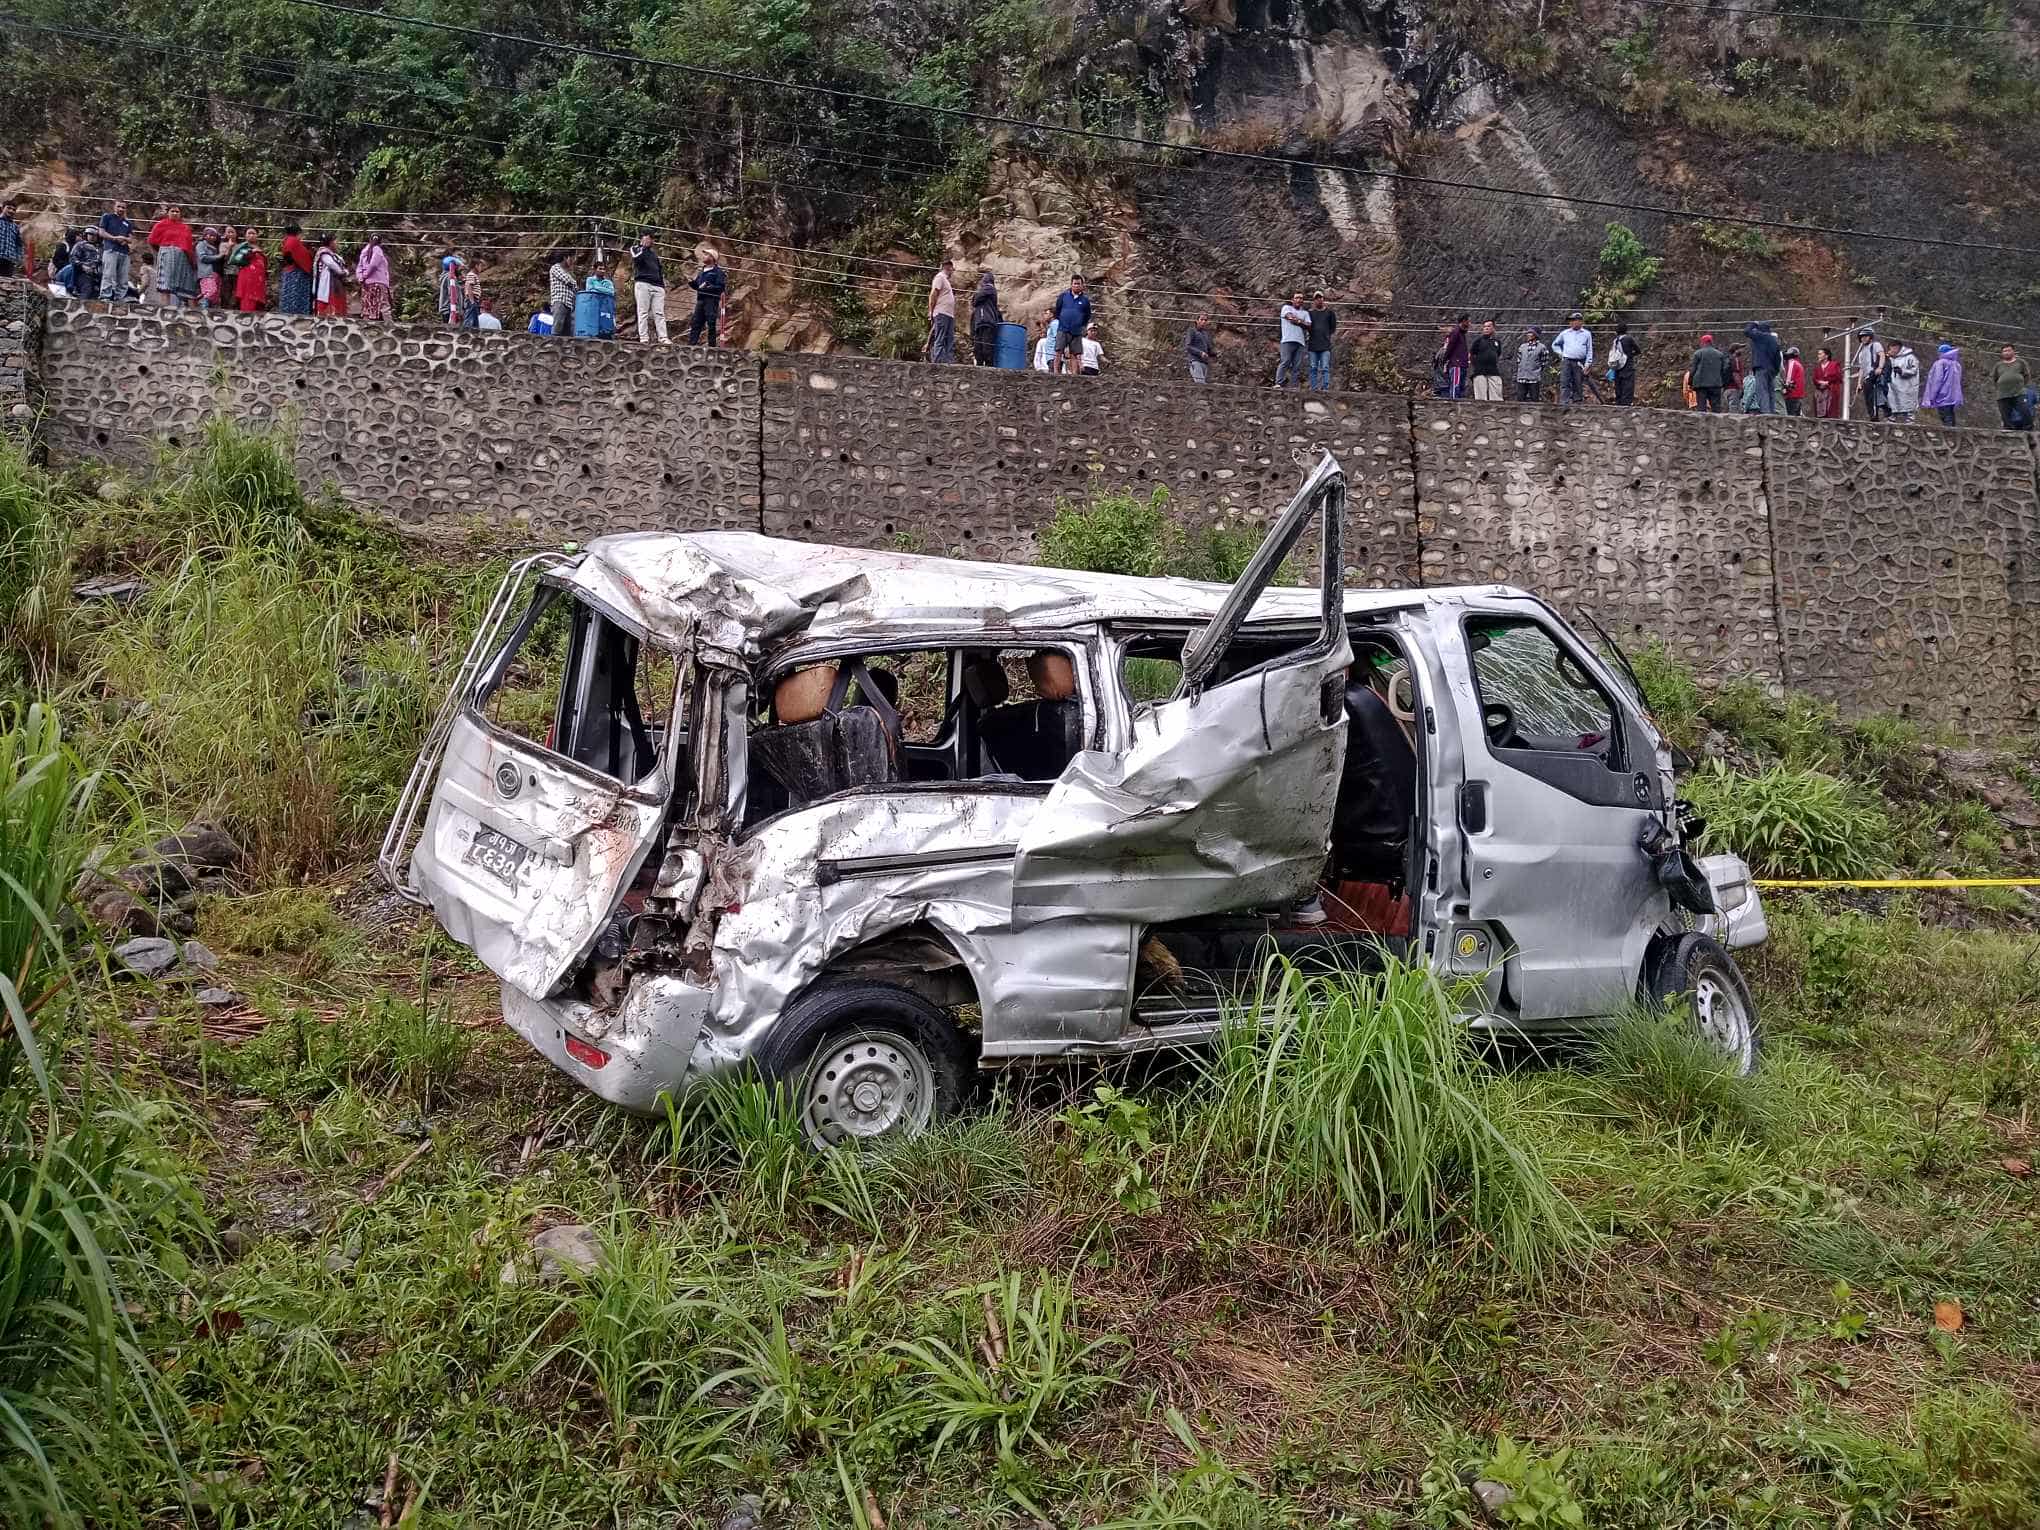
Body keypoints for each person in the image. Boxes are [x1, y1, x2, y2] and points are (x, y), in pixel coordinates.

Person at [146, 204, 197, 309]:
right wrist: (160, 253)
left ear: (180, 214)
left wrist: (191, 260)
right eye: (172, 211)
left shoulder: (185, 228)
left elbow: (188, 245)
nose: (174, 213)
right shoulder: (161, 225)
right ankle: (165, 307)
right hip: (166, 255)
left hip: (182, 257)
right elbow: (151, 240)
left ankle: (192, 310)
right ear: (168, 213)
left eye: (177, 211)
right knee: (166, 281)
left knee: (187, 282)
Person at [631, 233, 667, 344]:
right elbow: (636, 259)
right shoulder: (636, 249)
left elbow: (659, 270)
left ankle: (663, 337)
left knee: (659, 313)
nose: (651, 241)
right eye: (649, 238)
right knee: (643, 311)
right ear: (643, 238)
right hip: (643, 283)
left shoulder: (654, 255)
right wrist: (643, 247)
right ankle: (644, 337)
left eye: (652, 239)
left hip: (657, 285)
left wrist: (662, 286)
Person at [95, 199, 134, 304]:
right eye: (119, 206)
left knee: (123, 277)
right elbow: (101, 232)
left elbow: (131, 238)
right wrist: (114, 238)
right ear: (114, 207)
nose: (121, 209)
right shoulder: (107, 217)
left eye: (123, 207)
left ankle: (120, 297)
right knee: (108, 274)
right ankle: (105, 296)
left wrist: (124, 240)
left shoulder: (128, 223)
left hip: (124, 252)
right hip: (110, 249)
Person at [1051, 275, 1091, 376]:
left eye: (1079, 284)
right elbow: (1058, 310)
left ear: (1082, 285)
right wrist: (1062, 320)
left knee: (1074, 353)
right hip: (1063, 328)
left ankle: (1074, 374)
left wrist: (1081, 325)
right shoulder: (1063, 296)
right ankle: (1056, 372)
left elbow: (1087, 315)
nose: (1076, 286)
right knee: (1058, 351)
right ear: (1071, 284)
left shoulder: (1085, 300)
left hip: (1076, 331)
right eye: (1075, 284)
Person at [1552, 312, 1593, 404]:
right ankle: (1564, 402)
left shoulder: (1586, 334)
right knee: (1565, 381)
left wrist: (1588, 363)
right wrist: (1561, 353)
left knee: (1578, 382)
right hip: (1567, 360)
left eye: (1574, 320)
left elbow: (1589, 350)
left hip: (1579, 361)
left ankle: (1577, 401)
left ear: (1580, 321)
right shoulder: (1565, 333)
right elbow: (1555, 344)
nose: (1572, 322)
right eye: (1571, 321)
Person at [688, 247, 725, 346]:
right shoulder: (701, 272)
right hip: (700, 300)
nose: (703, 256)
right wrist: (691, 282)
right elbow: (698, 286)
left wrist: (708, 286)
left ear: (712, 258)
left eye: (706, 254)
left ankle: (712, 346)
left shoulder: (718, 272)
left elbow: (721, 287)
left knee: (711, 323)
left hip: (711, 300)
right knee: (696, 322)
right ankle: (691, 345)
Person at [275, 225, 313, 316]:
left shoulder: (287, 240)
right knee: (296, 296)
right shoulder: (294, 241)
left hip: (290, 271)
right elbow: (298, 256)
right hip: (296, 272)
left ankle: (287, 313)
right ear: (298, 233)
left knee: (289, 296)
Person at [1744, 320, 1781, 415]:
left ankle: (1765, 412)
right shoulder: (1774, 340)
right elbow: (1778, 358)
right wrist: (1776, 370)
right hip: (1772, 369)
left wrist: (1753, 323)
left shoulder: (1760, 336)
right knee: (1770, 391)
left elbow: (1747, 331)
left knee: (1762, 390)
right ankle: (1771, 411)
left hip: (1761, 367)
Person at [1922, 343, 1962, 426]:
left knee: (1945, 415)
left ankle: (1949, 431)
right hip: (1954, 395)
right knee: (1950, 414)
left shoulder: (1940, 363)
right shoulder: (1957, 364)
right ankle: (1952, 430)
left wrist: (1932, 396)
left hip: (1942, 395)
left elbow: (1937, 380)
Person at [1993, 343, 2032, 429]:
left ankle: (2028, 428)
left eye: (2008, 350)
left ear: (2013, 351)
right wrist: (2000, 386)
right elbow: (1994, 378)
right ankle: (2008, 428)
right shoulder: (1998, 365)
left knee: (2024, 409)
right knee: (2004, 412)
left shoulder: (2020, 362)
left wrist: (2021, 384)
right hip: (2003, 393)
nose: (2006, 352)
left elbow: (2027, 375)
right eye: (2004, 351)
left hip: (2019, 391)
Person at [926, 258, 957, 364]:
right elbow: (933, 294)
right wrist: (931, 311)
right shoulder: (940, 278)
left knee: (949, 339)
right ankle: (937, 362)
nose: (952, 271)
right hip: (941, 313)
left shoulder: (946, 281)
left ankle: (949, 361)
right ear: (948, 267)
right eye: (952, 268)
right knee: (940, 337)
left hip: (949, 314)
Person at [1275, 290, 1308, 388]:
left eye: (1301, 298)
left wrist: (1297, 320)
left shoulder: (1305, 313)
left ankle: (1294, 386)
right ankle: (1279, 383)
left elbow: (1309, 325)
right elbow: (1290, 318)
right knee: (1285, 361)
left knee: (1297, 366)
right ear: (1292, 300)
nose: (1299, 300)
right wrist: (1301, 322)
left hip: (1300, 342)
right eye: (1297, 298)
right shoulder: (1286, 308)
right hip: (1287, 340)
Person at [1689, 332, 1729, 413]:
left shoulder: (1698, 353)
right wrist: (1723, 381)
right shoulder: (1720, 354)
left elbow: (1693, 369)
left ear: (1703, 342)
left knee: (1701, 407)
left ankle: (1702, 420)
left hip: (1700, 384)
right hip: (1715, 384)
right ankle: (1716, 420)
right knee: (1716, 408)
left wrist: (1690, 381)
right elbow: (1725, 369)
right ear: (1711, 342)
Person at [355, 234, 392, 321]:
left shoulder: (364, 252)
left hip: (366, 284)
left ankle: (365, 327)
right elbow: (373, 265)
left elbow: (359, 267)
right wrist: (365, 275)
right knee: (383, 306)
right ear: (380, 242)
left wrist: (361, 277)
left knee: (367, 306)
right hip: (379, 283)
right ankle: (389, 326)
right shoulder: (378, 250)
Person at [969, 271, 1002, 366]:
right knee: (978, 349)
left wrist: (976, 295)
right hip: (980, 322)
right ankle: (981, 366)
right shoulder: (987, 291)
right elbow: (975, 301)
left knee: (987, 347)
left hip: (987, 321)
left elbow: (976, 299)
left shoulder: (990, 288)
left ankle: (989, 367)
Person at [1306, 290, 1337, 391]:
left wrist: (1326, 335)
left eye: (1321, 297)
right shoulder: (1310, 313)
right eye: (1317, 298)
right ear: (1314, 300)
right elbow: (1307, 326)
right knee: (1313, 368)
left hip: (1325, 345)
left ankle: (1325, 388)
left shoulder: (1330, 313)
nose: (1319, 300)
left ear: (1323, 299)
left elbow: (1333, 327)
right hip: (1313, 345)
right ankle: (1314, 388)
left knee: (1325, 367)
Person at [313, 233, 349, 317]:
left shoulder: (332, 254)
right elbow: (333, 265)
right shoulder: (324, 254)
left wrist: (344, 271)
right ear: (330, 242)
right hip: (328, 285)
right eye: (335, 241)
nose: (337, 243)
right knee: (328, 304)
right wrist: (343, 272)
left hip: (334, 284)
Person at [548, 249, 581, 339]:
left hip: (569, 305)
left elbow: (575, 287)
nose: (572, 261)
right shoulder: (555, 268)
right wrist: (574, 282)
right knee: (557, 329)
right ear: (565, 258)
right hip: (560, 302)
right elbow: (568, 281)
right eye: (571, 258)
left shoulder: (568, 272)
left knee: (567, 333)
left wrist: (574, 283)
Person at [1854, 327, 1886, 420]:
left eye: (1865, 336)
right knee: (1868, 398)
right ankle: (1872, 416)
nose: (1863, 338)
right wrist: (1859, 383)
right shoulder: (1861, 352)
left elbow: (1882, 355)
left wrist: (1880, 367)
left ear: (1870, 337)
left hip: (1874, 373)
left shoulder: (1875, 345)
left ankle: (1876, 416)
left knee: (1875, 397)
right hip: (1866, 377)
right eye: (1862, 337)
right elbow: (1861, 368)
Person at [1470, 319, 1503, 402]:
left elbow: (1498, 353)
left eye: (1489, 326)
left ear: (1493, 328)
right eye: (1485, 327)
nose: (1486, 328)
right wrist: (1476, 365)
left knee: (1496, 396)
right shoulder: (1478, 341)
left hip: (1493, 370)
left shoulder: (1497, 342)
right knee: (1480, 397)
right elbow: (1471, 354)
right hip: (1480, 371)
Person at [1886, 340, 1920, 422]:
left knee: (1907, 403)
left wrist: (1902, 371)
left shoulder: (1910, 357)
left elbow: (1914, 370)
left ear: (1898, 347)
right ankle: (1892, 418)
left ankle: (1910, 420)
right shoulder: (1890, 358)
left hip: (1907, 385)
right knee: (1892, 401)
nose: (1891, 350)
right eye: (1890, 349)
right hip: (1893, 385)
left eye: (1893, 348)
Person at [1514, 326, 1550, 401]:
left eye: (1530, 333)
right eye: (1528, 333)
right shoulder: (1522, 346)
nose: (1528, 335)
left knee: (1534, 399)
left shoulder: (1542, 347)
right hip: (1521, 377)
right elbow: (1519, 360)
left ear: (1535, 335)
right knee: (1520, 399)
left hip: (1534, 379)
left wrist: (1536, 370)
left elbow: (1544, 362)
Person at [1609, 322, 1641, 405]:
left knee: (1618, 385)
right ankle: (1626, 404)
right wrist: (1630, 355)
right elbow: (1638, 350)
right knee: (1628, 386)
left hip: (1617, 367)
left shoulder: (1615, 340)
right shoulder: (1628, 339)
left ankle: (1618, 403)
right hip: (1628, 367)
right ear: (1626, 330)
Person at [233, 236, 268, 313]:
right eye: (249, 233)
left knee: (258, 303)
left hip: (258, 279)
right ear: (245, 236)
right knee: (247, 299)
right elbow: (237, 259)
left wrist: (261, 253)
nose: (251, 235)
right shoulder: (242, 246)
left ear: (257, 236)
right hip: (247, 277)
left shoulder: (259, 248)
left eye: (253, 233)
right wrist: (252, 251)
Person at [1441, 313, 1471, 399]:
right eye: (1468, 321)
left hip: (1463, 364)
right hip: (1456, 364)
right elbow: (1450, 347)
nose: (1469, 324)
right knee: (1455, 386)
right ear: (1464, 321)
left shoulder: (1462, 334)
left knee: (1461, 388)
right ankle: (1454, 403)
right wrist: (1445, 360)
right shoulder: (1456, 332)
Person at [193, 226, 222, 310]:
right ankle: (202, 308)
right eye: (209, 235)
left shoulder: (215, 247)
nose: (211, 237)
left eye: (214, 236)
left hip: (215, 273)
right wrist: (218, 257)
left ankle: (208, 310)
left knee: (215, 296)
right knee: (210, 291)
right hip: (206, 273)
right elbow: (203, 258)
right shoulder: (201, 245)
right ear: (205, 235)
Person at [438, 249, 465, 325]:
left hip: (447, 310)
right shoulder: (450, 277)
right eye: (458, 268)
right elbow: (452, 294)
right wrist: (456, 311)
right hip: (450, 311)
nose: (459, 271)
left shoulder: (445, 276)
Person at [1813, 345, 1842, 418]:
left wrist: (1828, 382)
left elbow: (1838, 377)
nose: (1818, 356)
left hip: (1831, 391)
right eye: (1818, 354)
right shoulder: (1817, 367)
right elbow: (1814, 379)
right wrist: (1820, 383)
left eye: (1820, 354)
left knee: (1831, 412)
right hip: (1820, 392)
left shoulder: (1834, 365)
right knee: (1820, 412)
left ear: (1826, 355)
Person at [1186, 312, 1215, 383]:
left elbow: (1209, 350)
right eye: (1201, 319)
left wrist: (1215, 354)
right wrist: (1200, 353)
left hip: (1204, 363)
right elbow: (1188, 346)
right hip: (1195, 361)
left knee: (1203, 385)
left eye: (1205, 320)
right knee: (1200, 384)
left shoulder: (1205, 334)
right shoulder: (1192, 331)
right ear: (1197, 321)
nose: (1203, 322)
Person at [1781, 346, 1807, 416]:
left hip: (1792, 395)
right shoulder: (1798, 364)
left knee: (1791, 417)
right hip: (1798, 395)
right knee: (1796, 417)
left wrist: (1785, 389)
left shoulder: (1792, 363)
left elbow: (1789, 378)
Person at [0, 200, 22, 279]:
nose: (11, 211)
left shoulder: (15, 227)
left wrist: (18, 258)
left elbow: (18, 244)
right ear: (2, 208)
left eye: (14, 209)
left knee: (6, 283)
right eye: (8, 208)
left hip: (9, 261)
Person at [460, 262, 483, 328]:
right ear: (476, 266)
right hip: (472, 300)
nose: (481, 268)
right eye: (480, 266)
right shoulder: (471, 275)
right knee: (469, 319)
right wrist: (472, 301)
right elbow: (469, 287)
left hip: (474, 300)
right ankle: (466, 331)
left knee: (475, 320)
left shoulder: (473, 275)